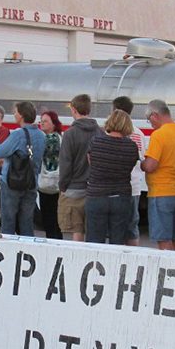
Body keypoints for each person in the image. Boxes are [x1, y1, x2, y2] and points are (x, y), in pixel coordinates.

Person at [141, 99, 175, 251]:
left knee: (163, 240)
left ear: (154, 115)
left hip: (161, 192)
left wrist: (141, 163)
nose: (150, 124)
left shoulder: (158, 135)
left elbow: (151, 165)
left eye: (149, 120)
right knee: (174, 239)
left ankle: (168, 272)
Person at [0, 101, 46, 237]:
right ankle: (26, 251)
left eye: (15, 112)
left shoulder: (18, 134)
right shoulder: (41, 135)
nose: (14, 115)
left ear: (21, 115)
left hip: (12, 183)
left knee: (8, 221)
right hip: (31, 181)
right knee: (26, 221)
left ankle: (8, 252)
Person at [84, 110, 140, 244]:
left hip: (97, 196)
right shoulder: (131, 146)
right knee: (118, 241)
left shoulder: (96, 141)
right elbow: (130, 168)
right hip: (121, 198)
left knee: (94, 241)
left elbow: (91, 162)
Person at [58, 94, 103, 241]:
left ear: (74, 110)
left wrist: (62, 186)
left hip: (73, 187)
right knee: (92, 229)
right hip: (94, 187)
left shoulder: (70, 134)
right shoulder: (100, 132)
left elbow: (65, 163)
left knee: (76, 229)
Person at [112, 96, 145, 246]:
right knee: (132, 226)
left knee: (115, 226)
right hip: (135, 185)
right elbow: (142, 158)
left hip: (115, 186)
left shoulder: (112, 133)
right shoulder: (138, 133)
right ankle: (133, 255)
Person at [39, 111, 63, 239]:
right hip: (55, 184)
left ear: (54, 124)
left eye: (46, 121)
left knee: (50, 219)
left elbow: (50, 165)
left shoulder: (51, 139)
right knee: (54, 219)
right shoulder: (58, 137)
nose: (42, 123)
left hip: (49, 183)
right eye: (41, 120)